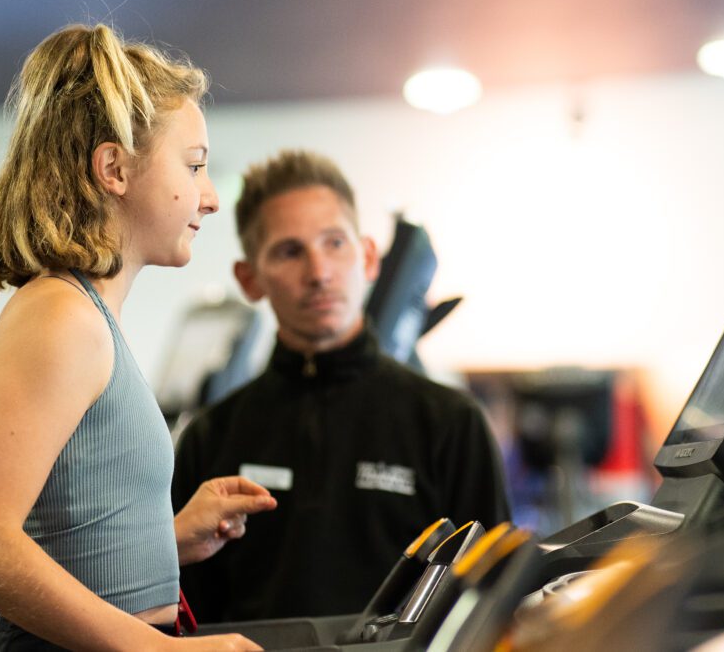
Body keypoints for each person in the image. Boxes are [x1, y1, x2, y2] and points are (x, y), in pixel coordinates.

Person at [0, 23, 275, 651]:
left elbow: (46, 537)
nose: (208, 198)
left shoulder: (86, 313)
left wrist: (163, 537)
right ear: (114, 168)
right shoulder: (60, 317)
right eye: (195, 166)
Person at [172, 149, 511, 622]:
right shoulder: (210, 437)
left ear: (368, 256)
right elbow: (183, 612)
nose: (319, 272)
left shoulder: (450, 423)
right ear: (250, 279)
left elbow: (492, 600)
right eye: (290, 251)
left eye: (335, 243)